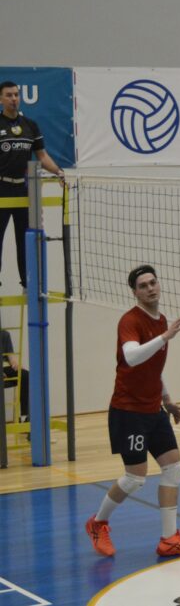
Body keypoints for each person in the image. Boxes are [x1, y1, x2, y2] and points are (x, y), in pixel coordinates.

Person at [84, 265, 180, 558]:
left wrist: (167, 399)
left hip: (153, 410)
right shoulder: (130, 320)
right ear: (135, 292)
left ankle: (169, 539)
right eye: (143, 285)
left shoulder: (161, 320)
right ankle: (98, 523)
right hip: (128, 412)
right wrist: (165, 337)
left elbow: (153, 367)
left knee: (174, 468)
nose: (150, 288)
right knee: (135, 478)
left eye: (153, 283)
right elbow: (132, 357)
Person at [0, 82, 66, 288]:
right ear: (1, 99)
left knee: (26, 239)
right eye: (9, 95)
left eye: (16, 95)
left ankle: (28, 284)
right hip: (1, 189)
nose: (14, 99)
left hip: (23, 189)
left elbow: (42, 156)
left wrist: (58, 172)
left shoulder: (30, 125)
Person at [0, 327, 29, 422]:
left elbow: (11, 356)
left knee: (25, 375)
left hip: (4, 368)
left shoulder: (4, 334)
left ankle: (24, 416)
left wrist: (16, 364)